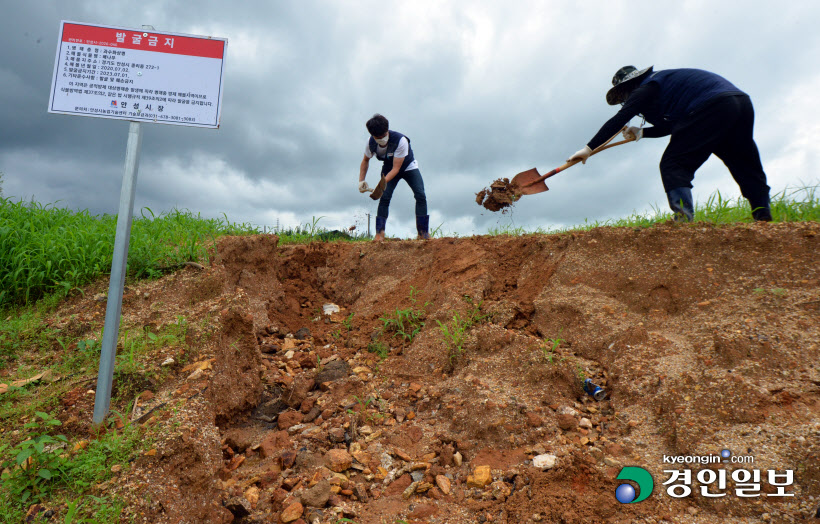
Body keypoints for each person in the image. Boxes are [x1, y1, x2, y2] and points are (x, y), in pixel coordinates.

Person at [568, 66, 772, 222]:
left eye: (622, 94)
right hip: (738, 102)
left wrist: (588, 149)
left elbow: (619, 119)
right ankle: (764, 221)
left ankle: (684, 221)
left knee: (673, 164)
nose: (624, 99)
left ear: (630, 85)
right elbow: (678, 125)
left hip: (709, 106)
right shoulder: (666, 85)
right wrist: (642, 133)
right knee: (744, 164)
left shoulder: (647, 87)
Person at [358, 114, 430, 241]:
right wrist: (361, 180)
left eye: (383, 136)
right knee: (385, 197)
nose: (381, 139)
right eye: (377, 137)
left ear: (387, 130)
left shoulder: (401, 140)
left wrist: (381, 184)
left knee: (420, 195)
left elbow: (397, 169)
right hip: (388, 167)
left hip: (408, 167)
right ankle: (379, 234)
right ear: (373, 135)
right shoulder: (370, 143)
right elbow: (365, 160)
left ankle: (423, 233)